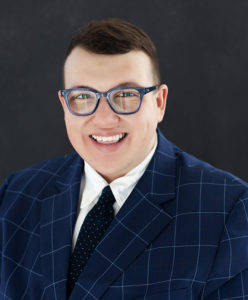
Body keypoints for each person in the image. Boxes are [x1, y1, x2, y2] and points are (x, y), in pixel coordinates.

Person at [0, 18, 248, 300]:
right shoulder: (16, 196)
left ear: (159, 103)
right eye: (83, 96)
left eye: (126, 95)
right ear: (65, 106)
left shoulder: (229, 211)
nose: (105, 118)